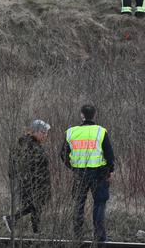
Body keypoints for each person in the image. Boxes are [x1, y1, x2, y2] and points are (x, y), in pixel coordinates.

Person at [62, 104, 115, 242]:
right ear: (94, 115)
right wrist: (110, 171)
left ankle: (78, 237)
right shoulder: (100, 132)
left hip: (80, 174)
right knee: (99, 204)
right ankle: (99, 238)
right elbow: (109, 155)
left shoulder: (71, 132)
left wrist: (73, 167)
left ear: (82, 115)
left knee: (79, 204)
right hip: (99, 174)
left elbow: (63, 154)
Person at [4, 119, 52, 234]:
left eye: (46, 132)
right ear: (34, 132)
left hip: (37, 182)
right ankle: (12, 218)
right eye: (43, 132)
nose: (45, 135)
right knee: (34, 205)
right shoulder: (29, 145)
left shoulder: (33, 144)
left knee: (37, 206)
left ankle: (36, 231)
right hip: (33, 182)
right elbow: (28, 164)